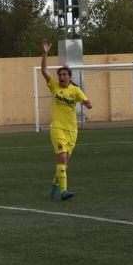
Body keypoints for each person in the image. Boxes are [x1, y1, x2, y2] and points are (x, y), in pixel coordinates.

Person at [40, 39, 92, 200]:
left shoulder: (75, 90)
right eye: (60, 74)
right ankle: (64, 192)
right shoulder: (54, 86)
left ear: (69, 77)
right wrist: (45, 53)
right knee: (61, 158)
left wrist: (87, 103)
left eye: (64, 75)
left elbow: (84, 99)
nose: (62, 77)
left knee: (64, 163)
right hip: (57, 128)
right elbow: (43, 70)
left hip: (72, 130)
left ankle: (56, 184)